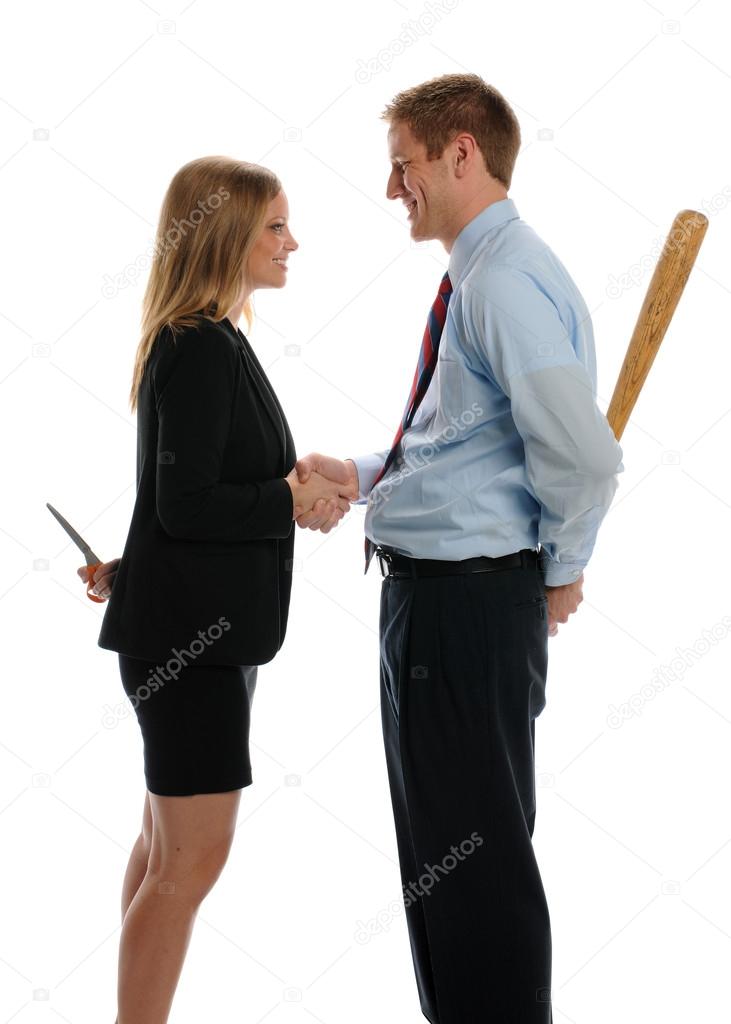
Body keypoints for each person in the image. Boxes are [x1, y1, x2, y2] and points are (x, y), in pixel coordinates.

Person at [295, 74, 625, 1023]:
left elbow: (584, 460)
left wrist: (559, 569)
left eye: (403, 166)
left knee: (473, 874)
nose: (393, 188)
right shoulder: (481, 275)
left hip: (466, 611)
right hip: (439, 609)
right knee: (446, 870)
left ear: (460, 152)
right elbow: (465, 440)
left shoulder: (507, 280)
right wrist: (363, 473)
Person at [78, 156, 355, 1024]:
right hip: (188, 652)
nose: (291, 242)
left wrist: (134, 569)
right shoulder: (196, 344)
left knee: (167, 852)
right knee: (188, 864)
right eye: (274, 226)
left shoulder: (205, 335)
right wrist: (287, 496)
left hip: (194, 636)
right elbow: (189, 502)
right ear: (227, 233)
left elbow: (173, 499)